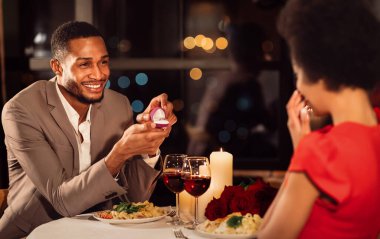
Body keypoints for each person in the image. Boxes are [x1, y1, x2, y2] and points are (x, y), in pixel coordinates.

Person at [0, 21, 177, 238]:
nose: (99, 74)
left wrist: (148, 146)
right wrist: (119, 153)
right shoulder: (21, 111)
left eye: (103, 62)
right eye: (85, 65)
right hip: (31, 233)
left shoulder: (118, 105)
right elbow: (62, 201)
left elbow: (133, 201)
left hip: (100, 232)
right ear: (57, 67)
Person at [258, 0, 380, 238]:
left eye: (297, 74)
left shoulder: (318, 152)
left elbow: (266, 234)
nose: (299, 86)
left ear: (321, 73)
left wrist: (301, 153)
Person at [187, 22, 277, 157]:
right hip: (219, 159)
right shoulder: (245, 84)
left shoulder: (223, 79)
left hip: (201, 155)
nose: (266, 58)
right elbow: (266, 125)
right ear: (253, 54)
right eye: (262, 51)